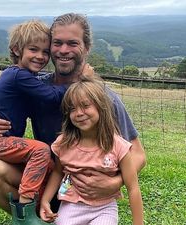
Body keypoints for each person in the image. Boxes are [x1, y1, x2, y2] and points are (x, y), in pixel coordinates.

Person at [0, 13, 146, 214]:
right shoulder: (37, 88)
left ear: (86, 48)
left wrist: (115, 182)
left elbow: (138, 154)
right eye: (57, 43)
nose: (63, 50)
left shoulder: (103, 97)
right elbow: (6, 104)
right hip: (48, 180)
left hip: (84, 191)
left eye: (72, 43)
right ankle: (33, 216)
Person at [0, 20, 72, 220]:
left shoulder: (25, 77)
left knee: (49, 166)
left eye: (45, 52)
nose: (41, 56)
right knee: (40, 150)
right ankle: (27, 209)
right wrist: (78, 81)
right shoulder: (18, 75)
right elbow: (52, 96)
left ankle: (45, 210)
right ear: (16, 50)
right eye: (33, 49)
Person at [39, 76, 143, 225]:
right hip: (71, 204)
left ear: (101, 107)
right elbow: (58, 172)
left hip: (104, 207)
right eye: (72, 109)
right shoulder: (64, 143)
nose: (79, 113)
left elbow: (133, 188)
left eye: (85, 105)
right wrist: (45, 200)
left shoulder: (118, 146)